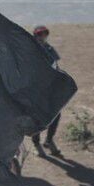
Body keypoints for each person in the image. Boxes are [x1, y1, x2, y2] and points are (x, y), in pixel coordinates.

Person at [30, 25, 63, 156]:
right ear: (35, 36)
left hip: (50, 87)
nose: (42, 37)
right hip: (36, 89)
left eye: (44, 34)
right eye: (39, 35)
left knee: (56, 114)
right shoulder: (30, 50)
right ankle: (36, 142)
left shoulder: (49, 49)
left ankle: (49, 140)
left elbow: (56, 66)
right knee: (37, 116)